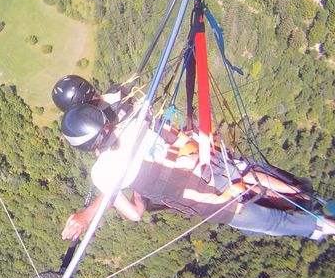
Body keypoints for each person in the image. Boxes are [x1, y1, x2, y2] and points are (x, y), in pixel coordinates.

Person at [53, 75, 335, 242]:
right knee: (254, 177)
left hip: (214, 201)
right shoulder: (136, 123)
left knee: (272, 222)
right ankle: (313, 202)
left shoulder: (104, 173)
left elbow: (134, 214)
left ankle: (321, 225)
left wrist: (90, 214)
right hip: (213, 165)